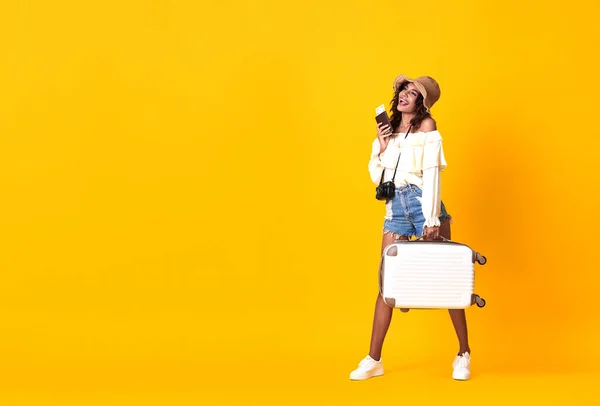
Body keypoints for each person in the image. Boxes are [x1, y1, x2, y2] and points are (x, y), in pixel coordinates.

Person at [350, 74, 472, 381]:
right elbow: (378, 178)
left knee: (448, 279)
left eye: (413, 92)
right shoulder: (390, 133)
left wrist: (431, 218)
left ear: (422, 103)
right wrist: (381, 147)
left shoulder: (427, 128)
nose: (405, 93)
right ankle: (373, 359)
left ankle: (463, 354)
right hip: (396, 208)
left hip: (423, 203)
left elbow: (432, 175)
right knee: (386, 283)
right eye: (404, 89)